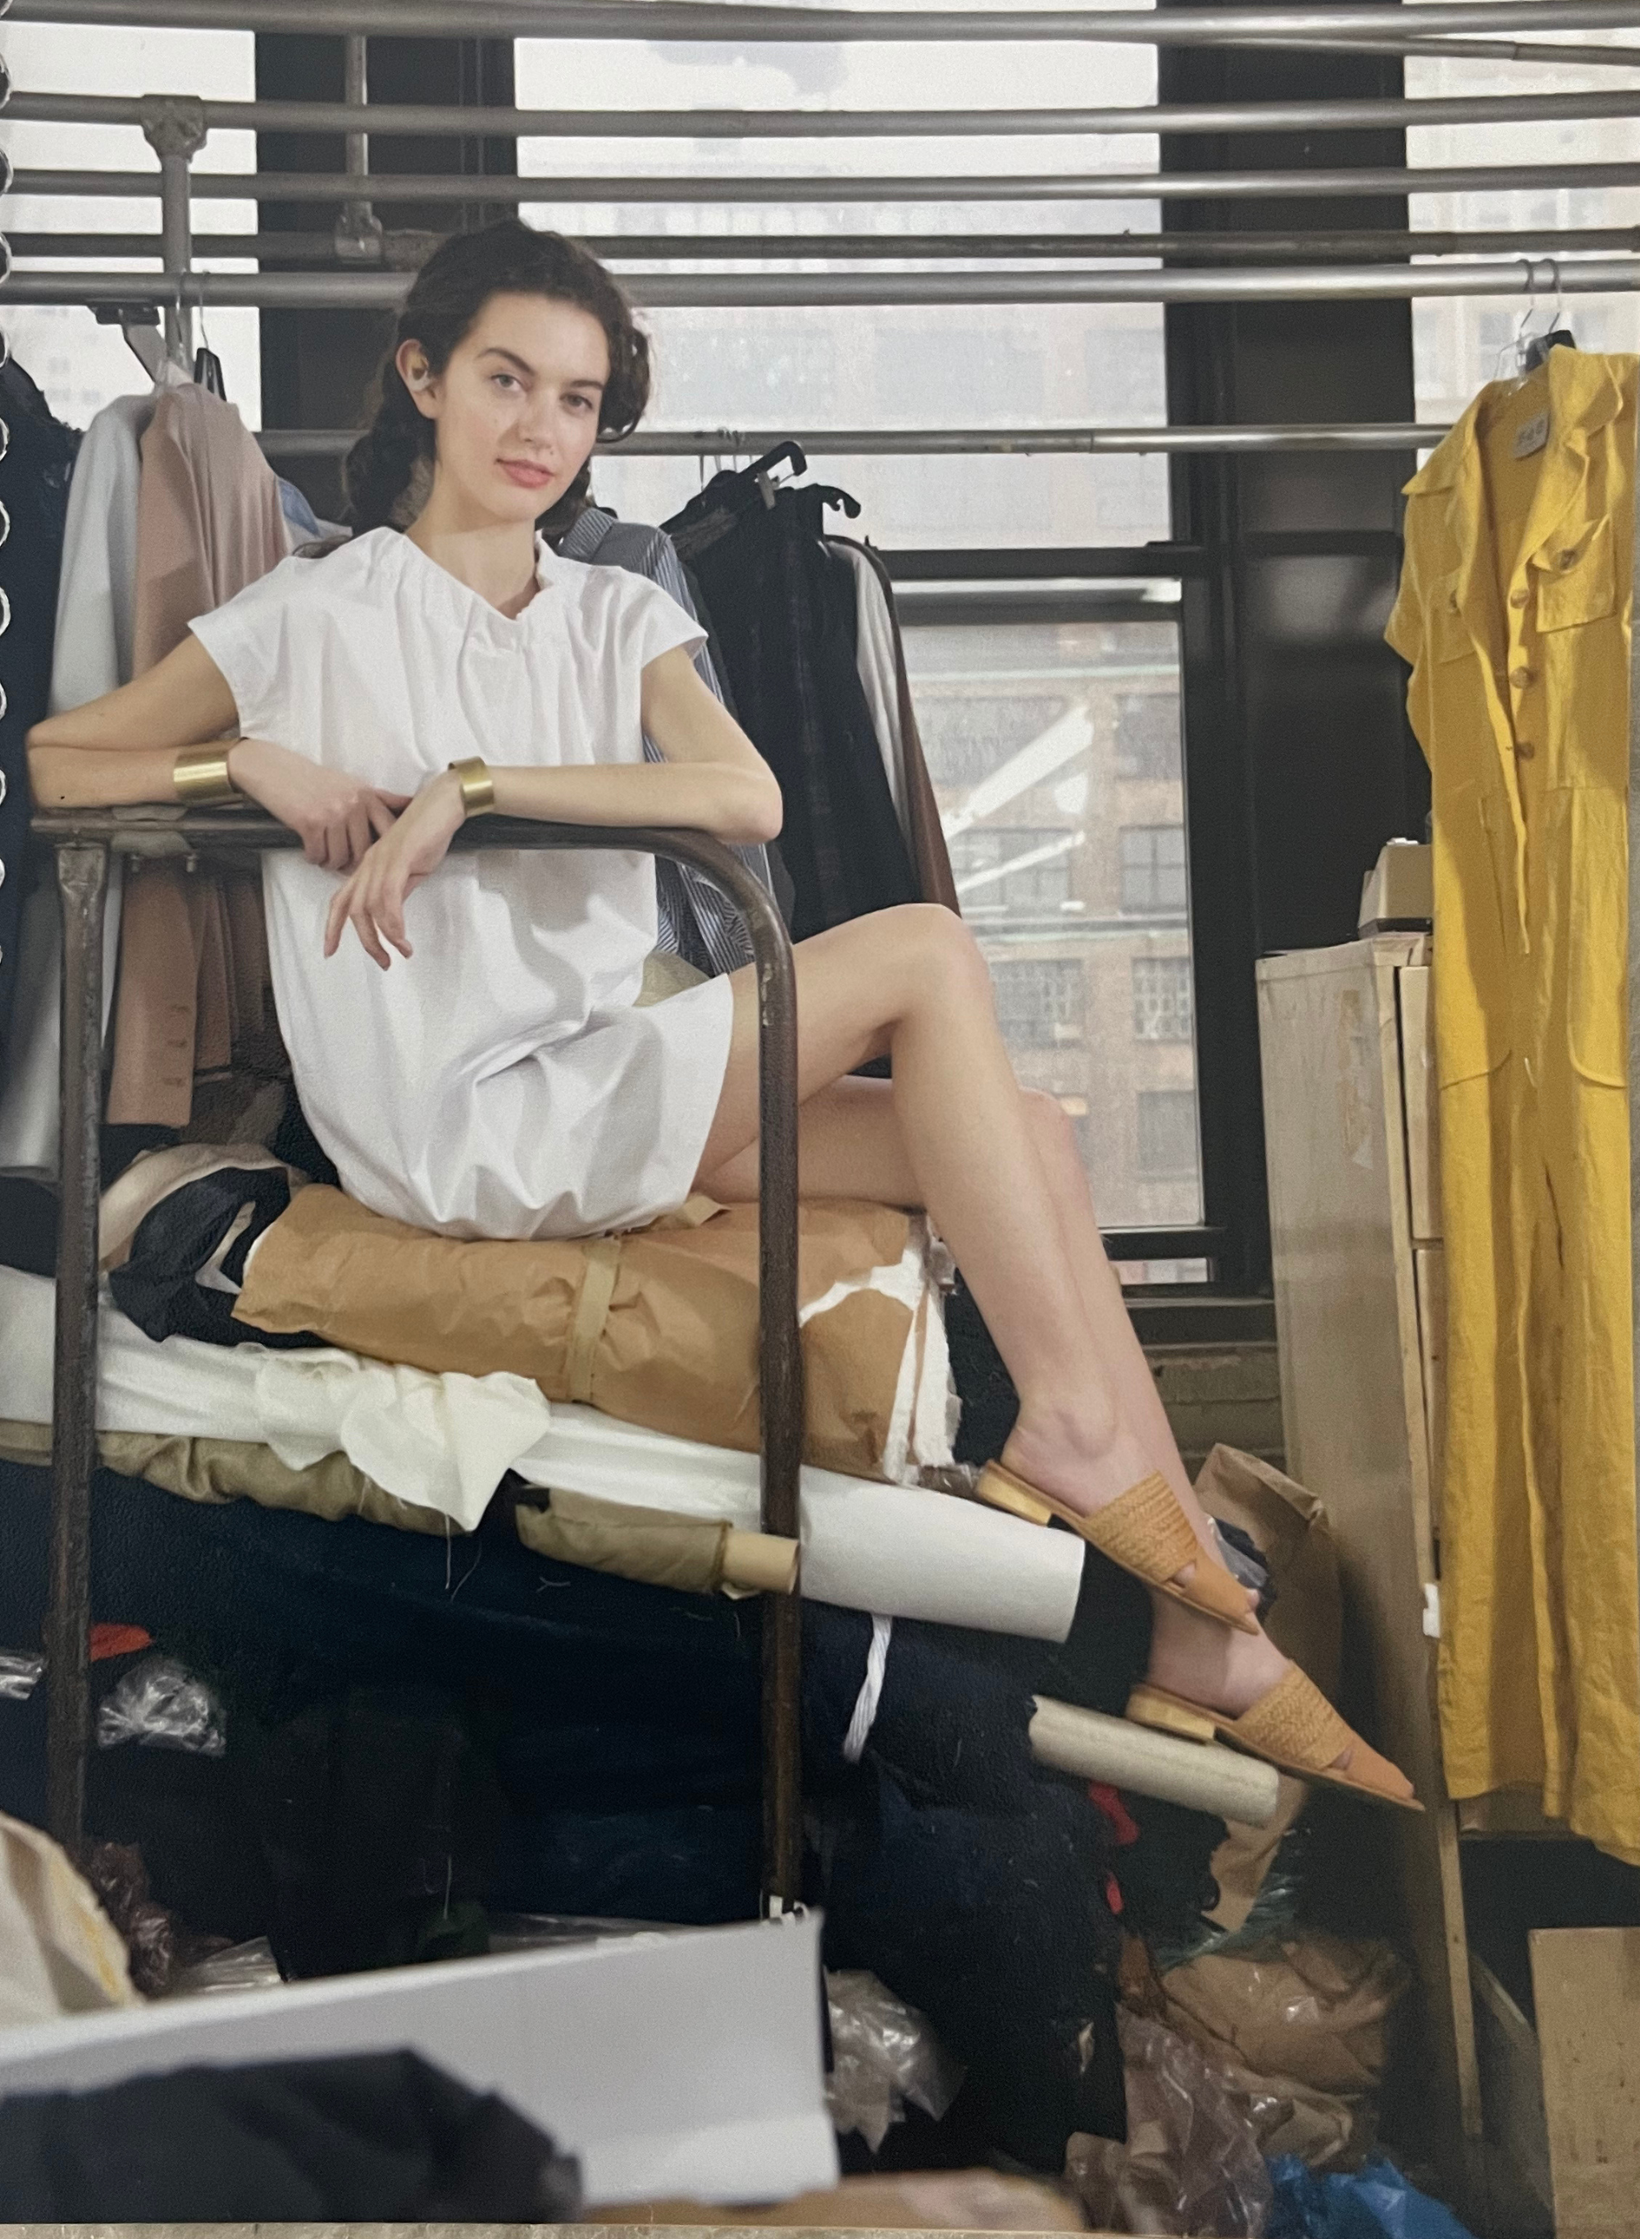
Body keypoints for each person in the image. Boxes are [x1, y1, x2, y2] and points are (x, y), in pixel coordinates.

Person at [29, 220, 1414, 1808]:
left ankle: (1200, 1634)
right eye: (505, 380)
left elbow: (745, 794)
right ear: (421, 376)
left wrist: (471, 788)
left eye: (577, 398)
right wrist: (245, 762)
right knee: (925, 958)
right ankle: (1085, 1441)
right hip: (460, 1118)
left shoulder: (615, 610)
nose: (541, 428)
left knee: (1026, 1135)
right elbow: (64, 764)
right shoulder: (311, 610)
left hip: (599, 1071)